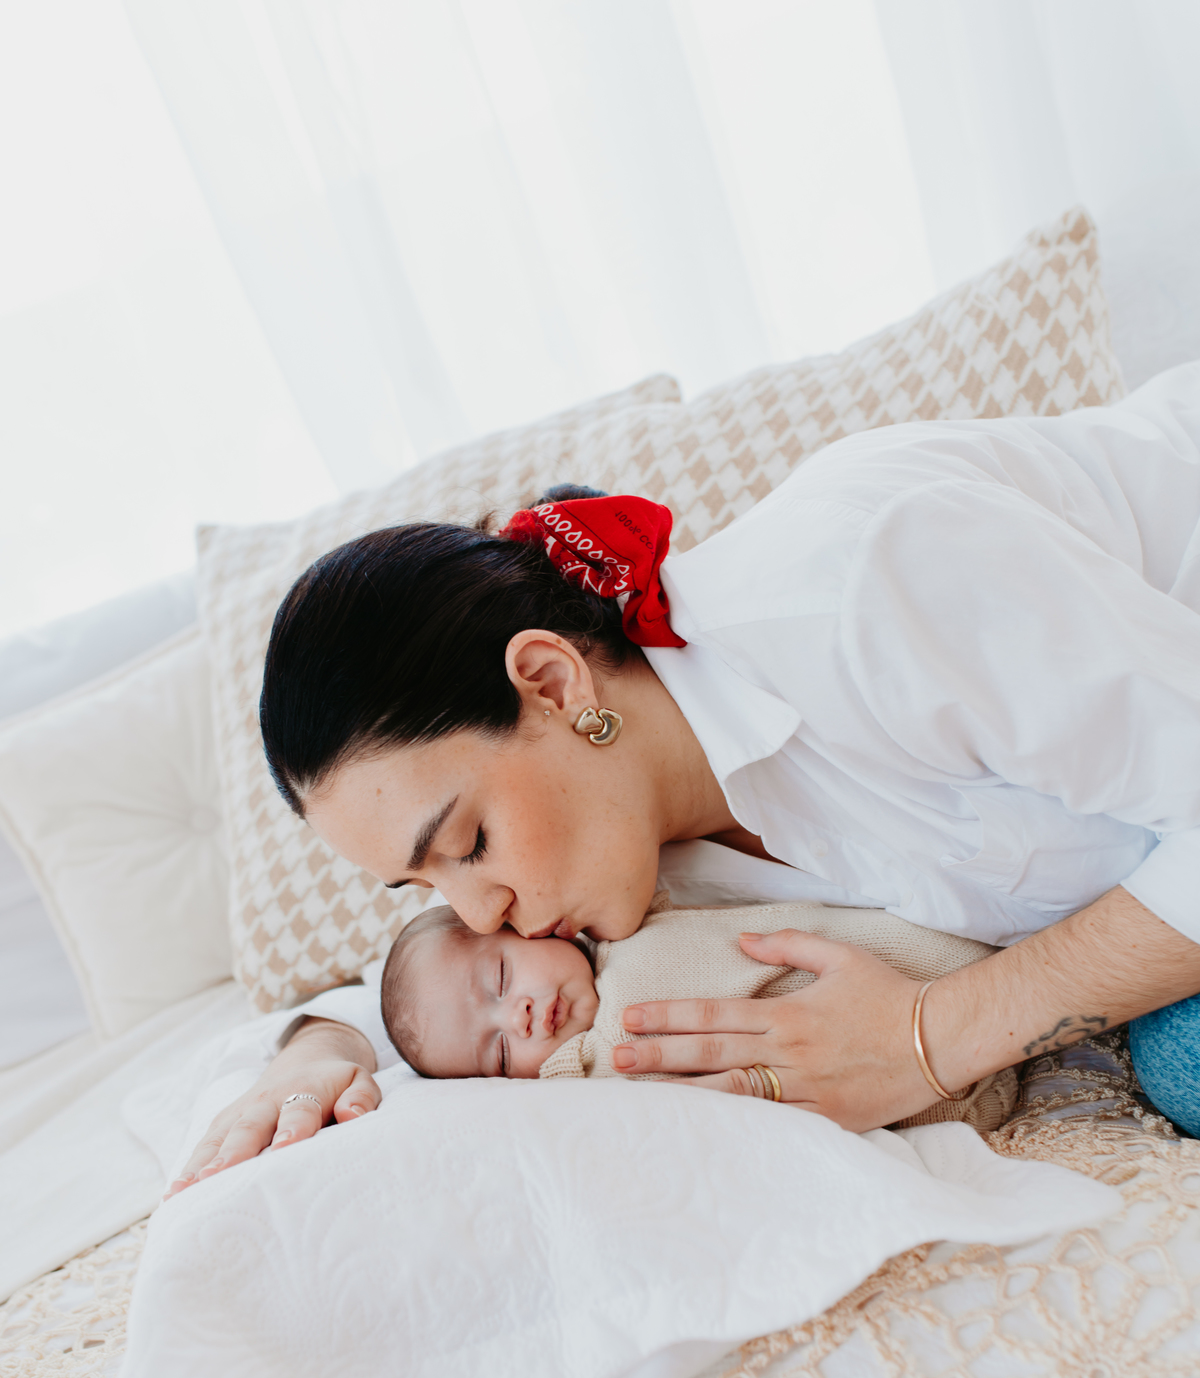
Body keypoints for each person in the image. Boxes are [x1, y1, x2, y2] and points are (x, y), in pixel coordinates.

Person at [170, 369, 1200, 1194]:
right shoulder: (628, 845)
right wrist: (313, 1055)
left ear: (552, 683)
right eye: (427, 884)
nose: (482, 916)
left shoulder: (870, 587)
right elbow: (413, 994)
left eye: (470, 845)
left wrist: (929, 1037)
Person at [378, 891, 1018, 1130]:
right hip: (950, 1078)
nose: (515, 1018)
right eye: (498, 1053)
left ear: (531, 928)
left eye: (500, 978)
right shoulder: (595, 1078)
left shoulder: (627, 916)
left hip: (940, 949)